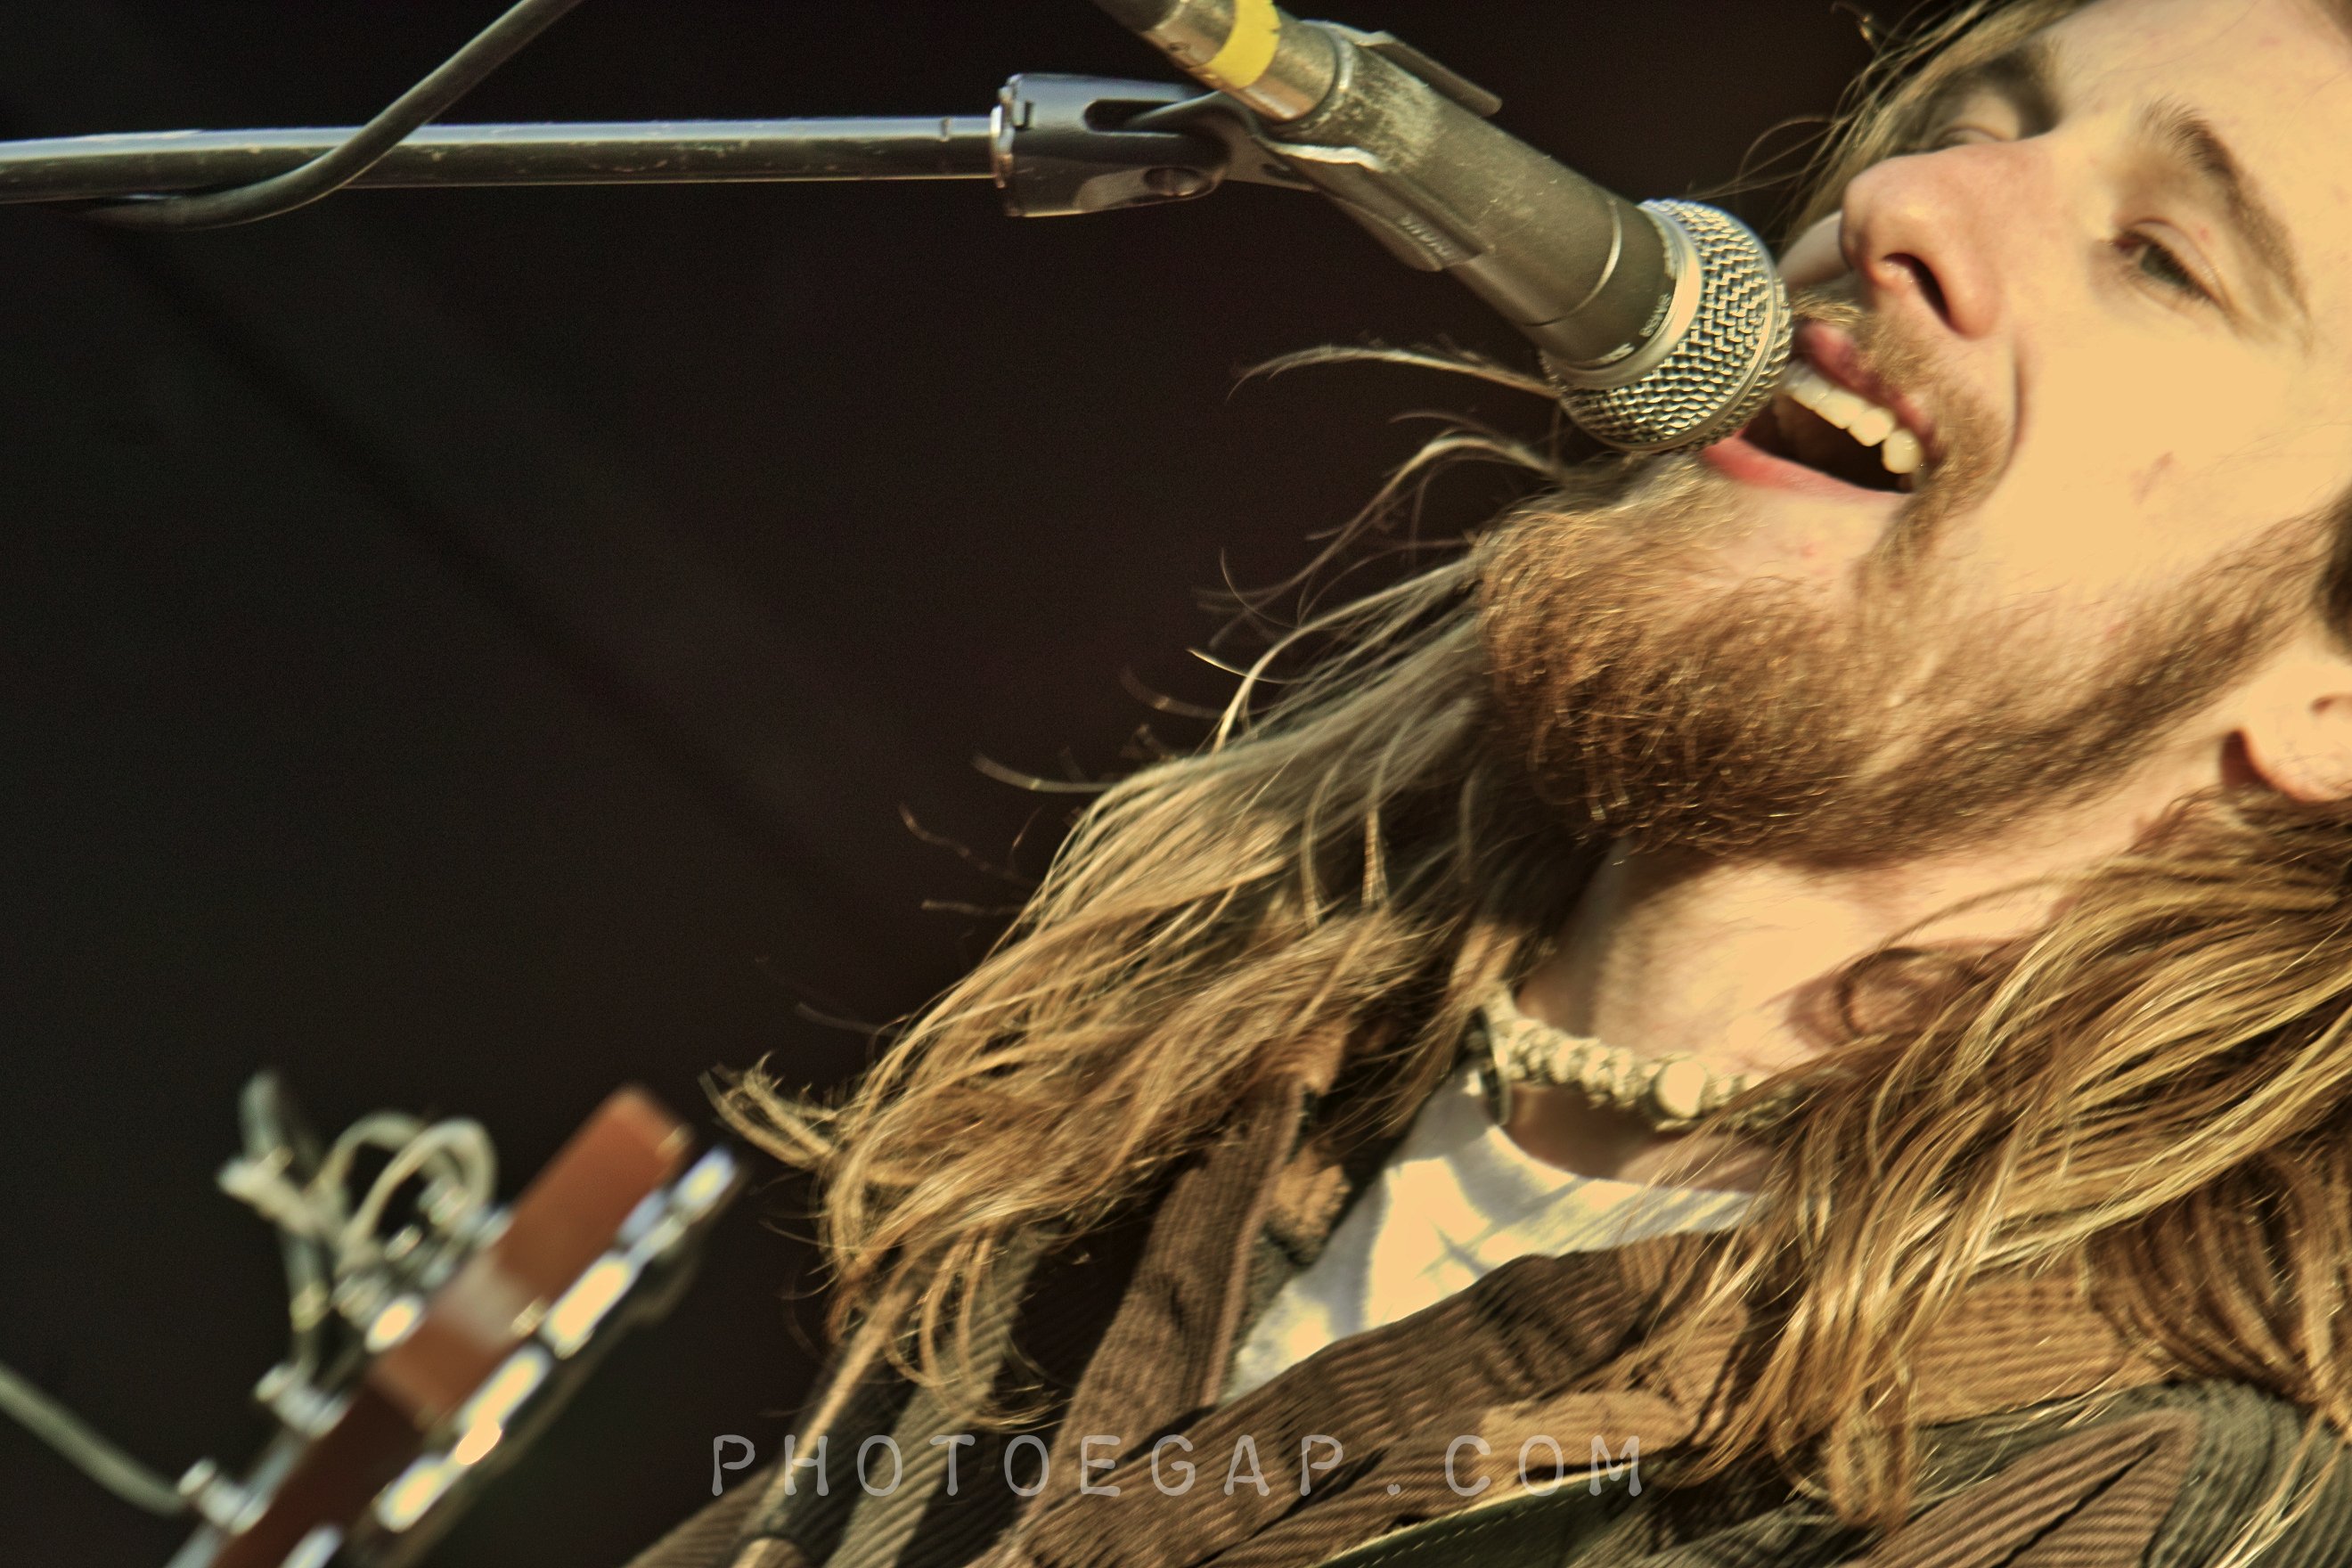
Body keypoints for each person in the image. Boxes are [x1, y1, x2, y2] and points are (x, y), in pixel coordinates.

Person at [627, 0, 2352, 1563]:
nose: (1904, 202)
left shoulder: (2107, 1485)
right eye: (1968, 126)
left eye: (2161, 258)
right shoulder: (1181, 1077)